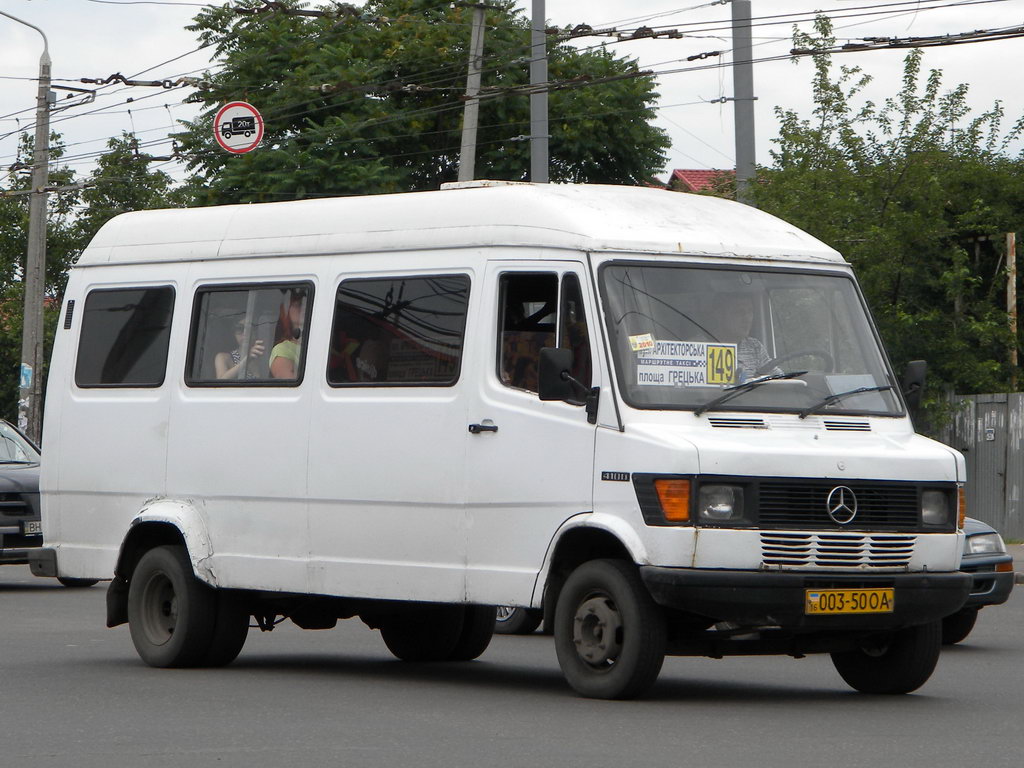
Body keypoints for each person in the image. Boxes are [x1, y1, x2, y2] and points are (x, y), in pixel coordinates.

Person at [719, 294, 779, 383]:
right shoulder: (698, 347)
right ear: (721, 316)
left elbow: (779, 378)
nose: (747, 319)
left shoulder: (754, 346)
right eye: (739, 312)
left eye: (750, 312)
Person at [270, 292, 306, 379]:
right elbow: (292, 389)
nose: (304, 308)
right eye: (298, 305)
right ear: (286, 311)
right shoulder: (281, 350)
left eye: (307, 303)